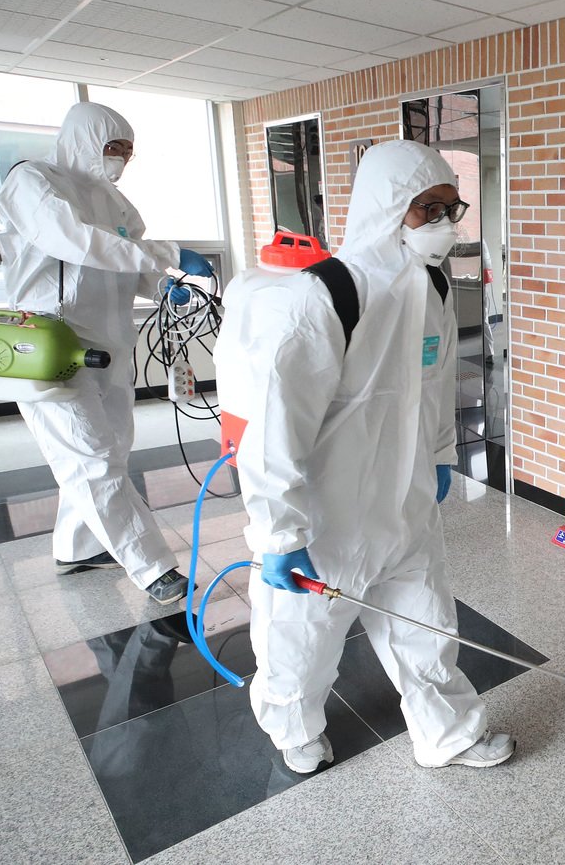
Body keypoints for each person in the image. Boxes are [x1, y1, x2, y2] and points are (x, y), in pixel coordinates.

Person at [215, 140, 511, 774]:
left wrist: (438, 457)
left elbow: (433, 388)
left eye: (449, 208)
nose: (443, 224)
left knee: (426, 623)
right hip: (328, 516)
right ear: (386, 208)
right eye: (426, 209)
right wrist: (279, 533)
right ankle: (293, 727)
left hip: (402, 502)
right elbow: (274, 430)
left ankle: (449, 733)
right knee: (304, 636)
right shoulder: (323, 299)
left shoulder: (429, 286)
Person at [0, 102, 209, 605]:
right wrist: (172, 254)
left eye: (127, 152)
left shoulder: (117, 204)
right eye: (113, 147)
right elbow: (75, 241)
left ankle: (77, 547)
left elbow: (126, 257)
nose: (119, 159)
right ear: (83, 139)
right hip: (48, 346)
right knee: (90, 458)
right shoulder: (33, 182)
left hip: (110, 350)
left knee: (107, 453)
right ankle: (153, 567)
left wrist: (162, 286)